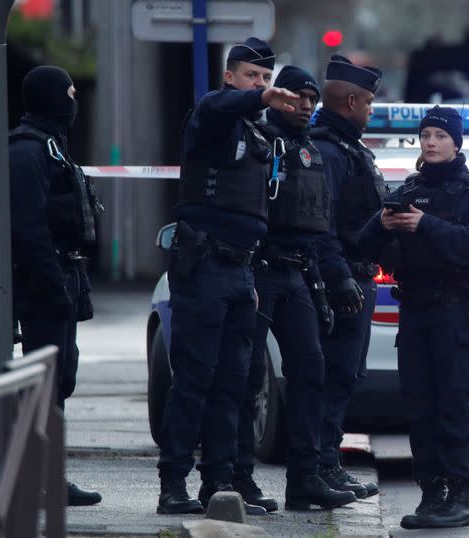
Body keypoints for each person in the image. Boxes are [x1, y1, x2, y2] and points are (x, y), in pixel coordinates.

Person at [155, 37, 298, 515]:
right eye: (252, 77)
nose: (261, 85)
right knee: (194, 380)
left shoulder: (256, 133)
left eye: (265, 78)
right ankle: (172, 484)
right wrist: (259, 98)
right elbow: (220, 107)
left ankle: (219, 485)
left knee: (236, 384)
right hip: (204, 266)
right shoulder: (212, 117)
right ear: (230, 77)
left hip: (240, 271)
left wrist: (251, 278)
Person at [359, 106, 469, 529]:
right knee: (419, 407)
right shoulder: (410, 188)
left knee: (452, 406)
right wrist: (384, 223)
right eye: (426, 136)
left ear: (456, 142)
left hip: (454, 311)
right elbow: (363, 245)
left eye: (440, 135)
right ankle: (430, 494)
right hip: (415, 312)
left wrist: (426, 225)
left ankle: (459, 496)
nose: (432, 143)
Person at [240, 65, 357, 511]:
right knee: (248, 375)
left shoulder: (312, 152)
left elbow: (319, 227)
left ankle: (304, 479)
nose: (306, 106)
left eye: (312, 99)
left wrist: (327, 283)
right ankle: (239, 479)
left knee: (310, 371)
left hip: (296, 273)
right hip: (259, 271)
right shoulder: (258, 141)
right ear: (279, 97)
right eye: (297, 97)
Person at [10, 64, 104, 507]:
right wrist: (53, 285)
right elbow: (28, 230)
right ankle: (35, 480)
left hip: (63, 276)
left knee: (60, 381)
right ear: (50, 97)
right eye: (69, 93)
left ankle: (48, 477)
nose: (74, 101)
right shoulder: (27, 153)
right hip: (41, 284)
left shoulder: (53, 149)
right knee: (41, 386)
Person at [311, 55, 384, 498]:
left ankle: (327, 464)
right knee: (334, 377)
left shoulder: (349, 148)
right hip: (342, 284)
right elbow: (323, 225)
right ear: (351, 101)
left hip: (355, 279)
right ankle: (322, 466)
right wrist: (340, 281)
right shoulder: (328, 151)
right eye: (370, 103)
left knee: (346, 376)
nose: (371, 111)